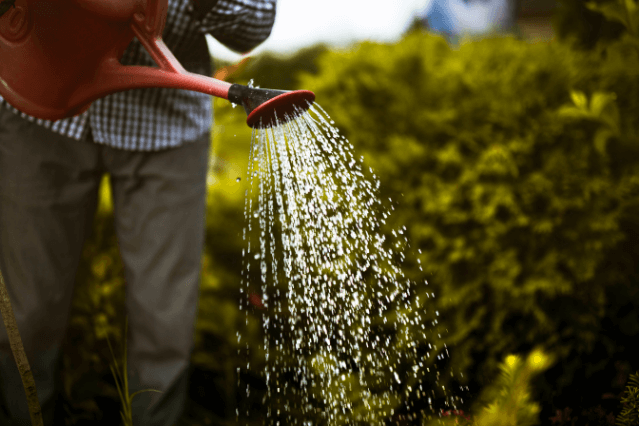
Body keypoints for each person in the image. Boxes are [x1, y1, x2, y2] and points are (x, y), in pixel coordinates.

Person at [0, 0, 276, 425]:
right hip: (38, 101)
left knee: (163, 324)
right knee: (27, 316)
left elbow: (255, 22)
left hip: (165, 122)